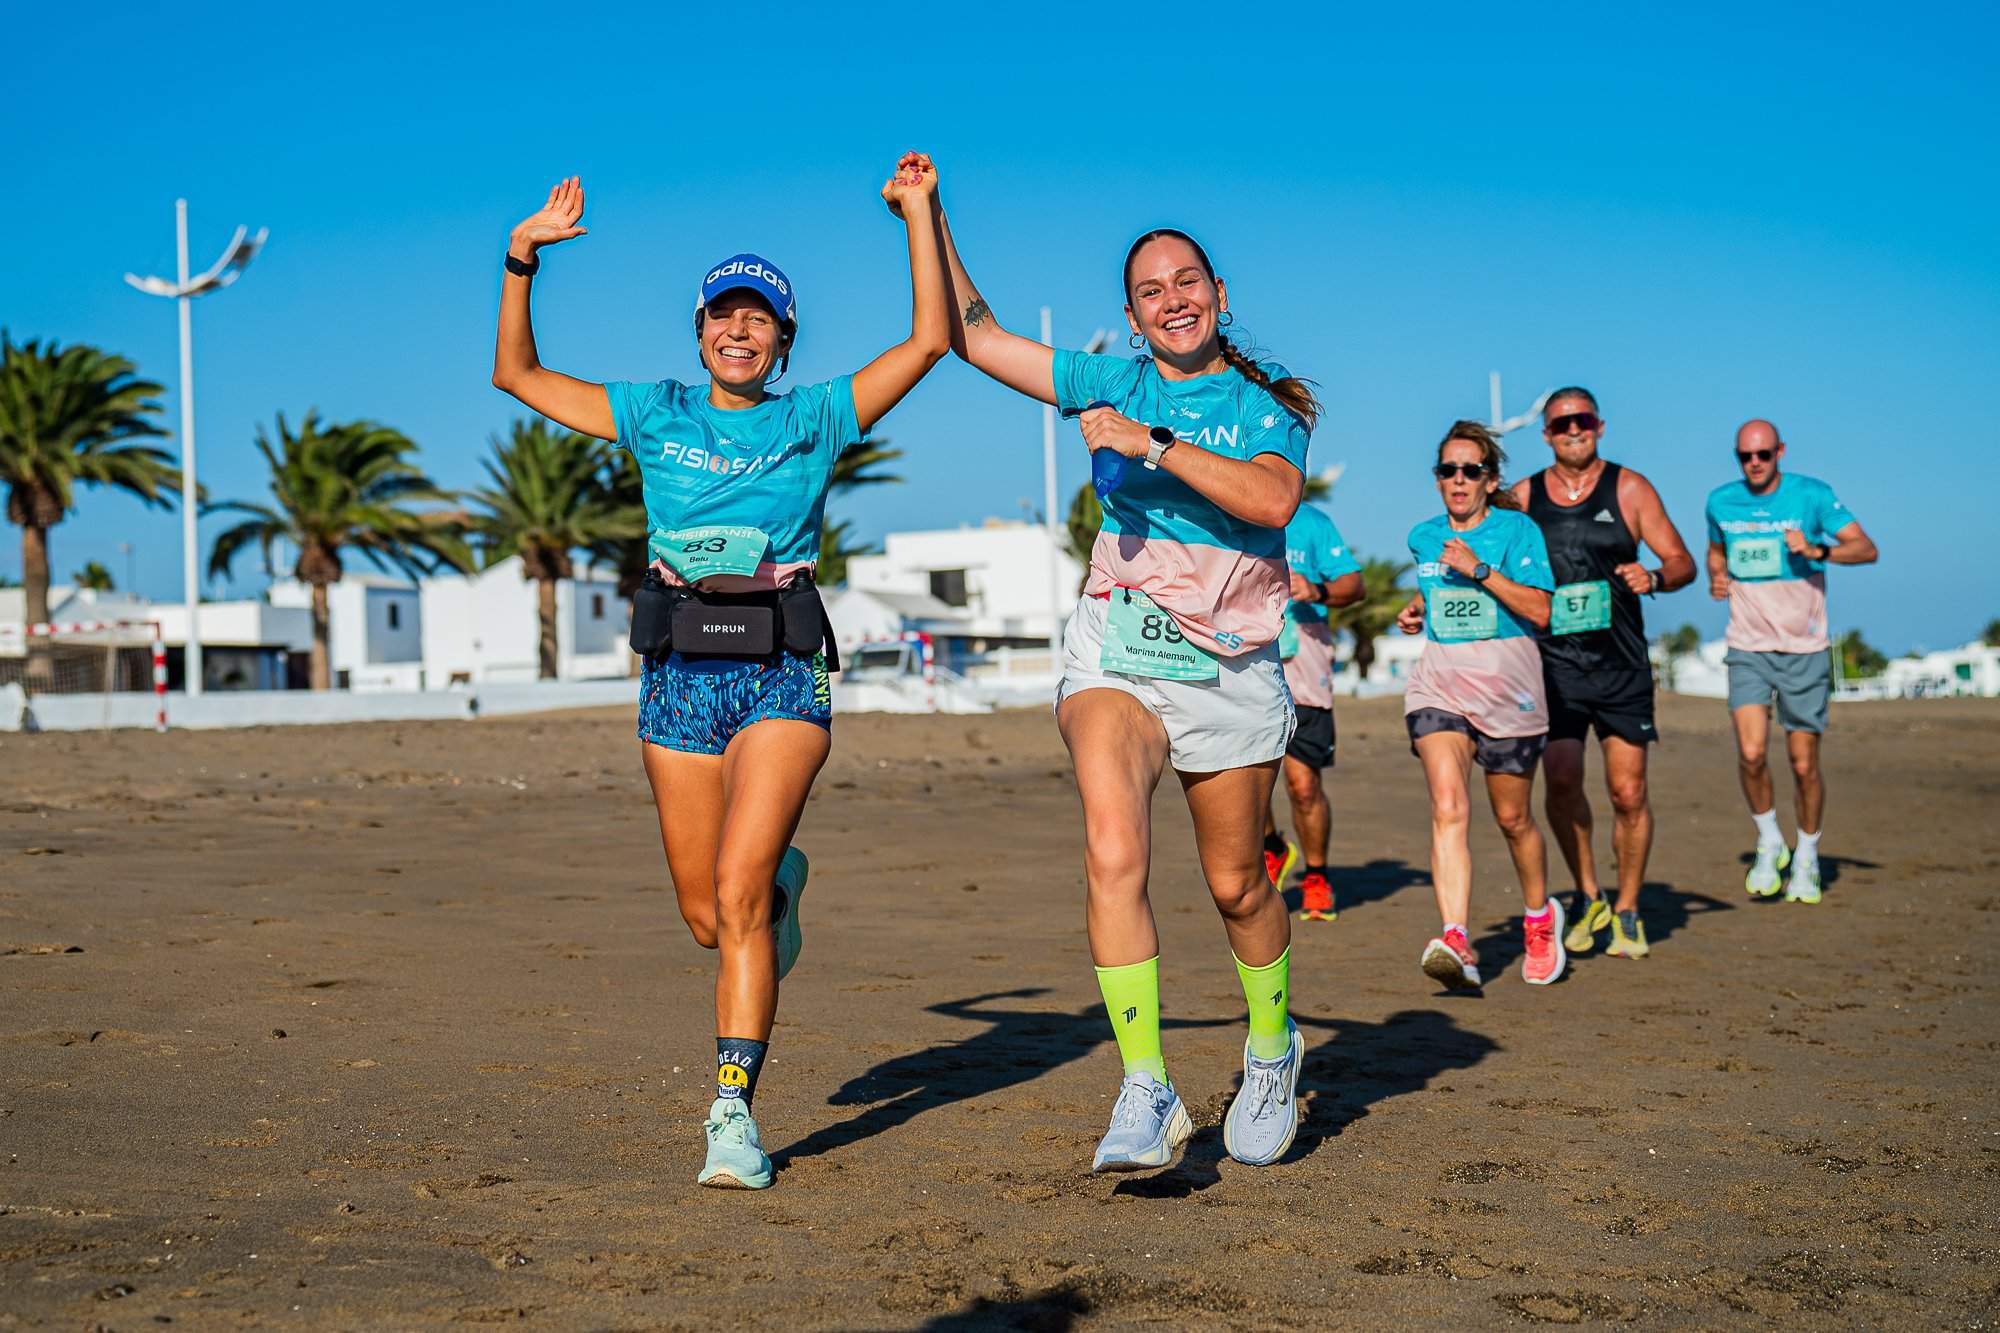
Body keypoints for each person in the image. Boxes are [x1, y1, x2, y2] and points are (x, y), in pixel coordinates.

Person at [489, 157, 950, 1189]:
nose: (739, 331)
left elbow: (928, 340)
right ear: (699, 330)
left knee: (735, 895)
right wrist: (522, 257)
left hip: (785, 670)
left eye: (759, 319)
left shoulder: (813, 417)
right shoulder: (652, 412)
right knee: (710, 917)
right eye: (723, 316)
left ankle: (731, 1115)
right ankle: (784, 886)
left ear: (784, 339)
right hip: (678, 678)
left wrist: (917, 214)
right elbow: (516, 376)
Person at [935, 183, 1311, 1171]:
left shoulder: (1265, 405)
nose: (1172, 299)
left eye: (1187, 281)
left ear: (1219, 294)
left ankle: (1271, 1049)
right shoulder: (1107, 379)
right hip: (1118, 648)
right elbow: (975, 336)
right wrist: (926, 215)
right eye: (1151, 291)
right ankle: (1146, 1086)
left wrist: (1153, 443)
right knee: (1112, 849)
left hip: (1228, 669)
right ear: (1132, 315)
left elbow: (1271, 500)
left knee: (1237, 884)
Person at [1512, 388, 1694, 961]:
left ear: (1600, 426)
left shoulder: (1630, 488)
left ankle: (1629, 907)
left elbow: (1682, 561)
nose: (1574, 429)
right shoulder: (1524, 497)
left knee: (1628, 792)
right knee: (1562, 781)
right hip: (1554, 664)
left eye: (1583, 419)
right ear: (1546, 434)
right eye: (1562, 422)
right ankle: (1589, 893)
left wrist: (1656, 578)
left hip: (1621, 663)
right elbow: (1485, 549)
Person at [1397, 422, 1562, 990]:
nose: (1459, 480)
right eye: (1449, 470)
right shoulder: (1423, 536)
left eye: (1471, 470)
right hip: (1439, 686)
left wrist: (1480, 570)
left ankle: (1539, 919)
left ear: (1490, 481)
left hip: (1509, 690)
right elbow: (1440, 591)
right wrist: (1418, 608)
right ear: (1437, 479)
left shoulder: (1518, 531)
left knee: (1514, 819)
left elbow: (1541, 610)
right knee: (1448, 806)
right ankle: (1456, 938)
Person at [1705, 420, 1877, 903]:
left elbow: (1866, 549)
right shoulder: (1720, 501)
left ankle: (1807, 857)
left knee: (1803, 766)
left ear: (1780, 452)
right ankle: (1769, 841)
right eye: (1745, 456)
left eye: (1762, 454)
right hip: (1748, 647)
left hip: (1805, 649)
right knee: (1751, 752)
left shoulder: (1812, 495)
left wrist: (1817, 549)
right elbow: (1716, 552)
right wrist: (1717, 577)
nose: (1754, 463)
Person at [1261, 502, 1364, 920]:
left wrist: (1316, 590)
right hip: (1243, 655)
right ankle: (1272, 848)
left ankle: (1316, 875)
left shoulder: (1313, 522)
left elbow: (1354, 585)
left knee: (1303, 785)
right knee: (1243, 775)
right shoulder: (1225, 507)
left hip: (1303, 660)